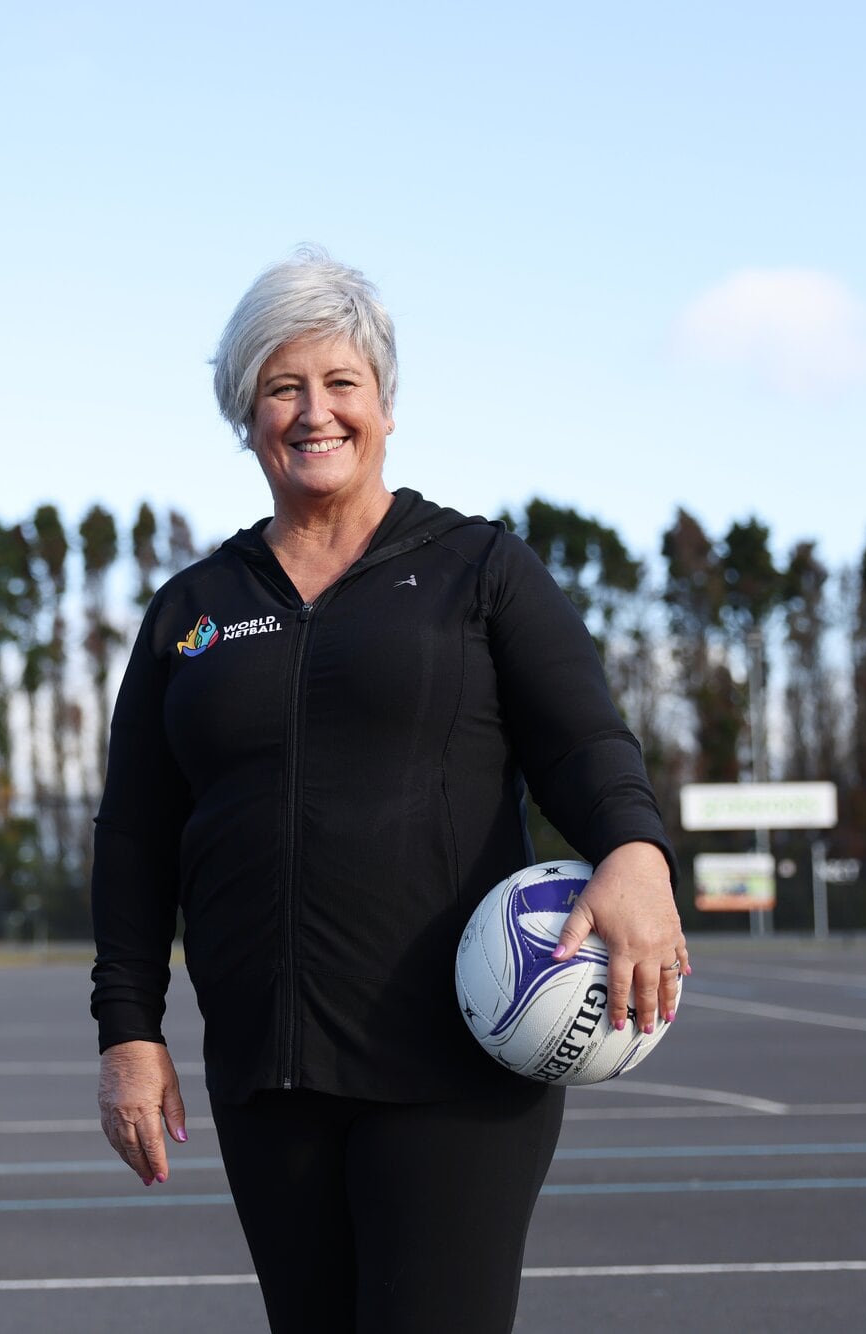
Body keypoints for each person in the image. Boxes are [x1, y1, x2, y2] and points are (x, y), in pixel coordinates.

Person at [89, 248, 688, 1334]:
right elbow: (134, 833)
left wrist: (634, 850)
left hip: (455, 1063)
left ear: (385, 404)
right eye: (283, 386)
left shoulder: (477, 568)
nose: (315, 412)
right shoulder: (193, 605)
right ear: (245, 412)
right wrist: (127, 1030)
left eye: (341, 383)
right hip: (269, 1071)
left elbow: (585, 743)